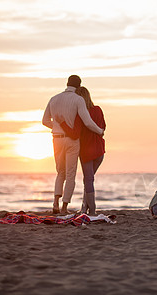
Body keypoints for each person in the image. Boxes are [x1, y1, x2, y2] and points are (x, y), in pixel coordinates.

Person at [42, 75, 104, 214]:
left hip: (56, 138)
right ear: (79, 85)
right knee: (70, 174)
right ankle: (65, 208)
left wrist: (57, 126)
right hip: (71, 140)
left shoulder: (53, 99)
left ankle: (55, 204)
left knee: (60, 172)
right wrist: (100, 130)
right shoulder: (78, 99)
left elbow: (45, 121)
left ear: (67, 83)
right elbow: (87, 122)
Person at [57, 86, 106, 215]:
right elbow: (103, 127)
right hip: (100, 151)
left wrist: (62, 123)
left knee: (88, 179)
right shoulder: (98, 109)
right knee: (89, 180)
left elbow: (74, 134)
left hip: (87, 152)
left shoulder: (79, 115)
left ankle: (92, 210)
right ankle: (85, 207)